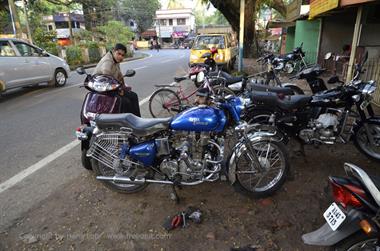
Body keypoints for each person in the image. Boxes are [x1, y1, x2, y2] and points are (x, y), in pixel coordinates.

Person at [93, 43, 141, 117]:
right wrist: (119, 90)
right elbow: (107, 78)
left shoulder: (116, 61)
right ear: (113, 51)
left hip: (112, 87)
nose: (120, 57)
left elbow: (119, 75)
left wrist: (124, 86)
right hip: (102, 89)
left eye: (122, 55)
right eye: (118, 54)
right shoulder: (107, 61)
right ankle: (127, 123)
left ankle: (138, 119)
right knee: (125, 101)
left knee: (133, 96)